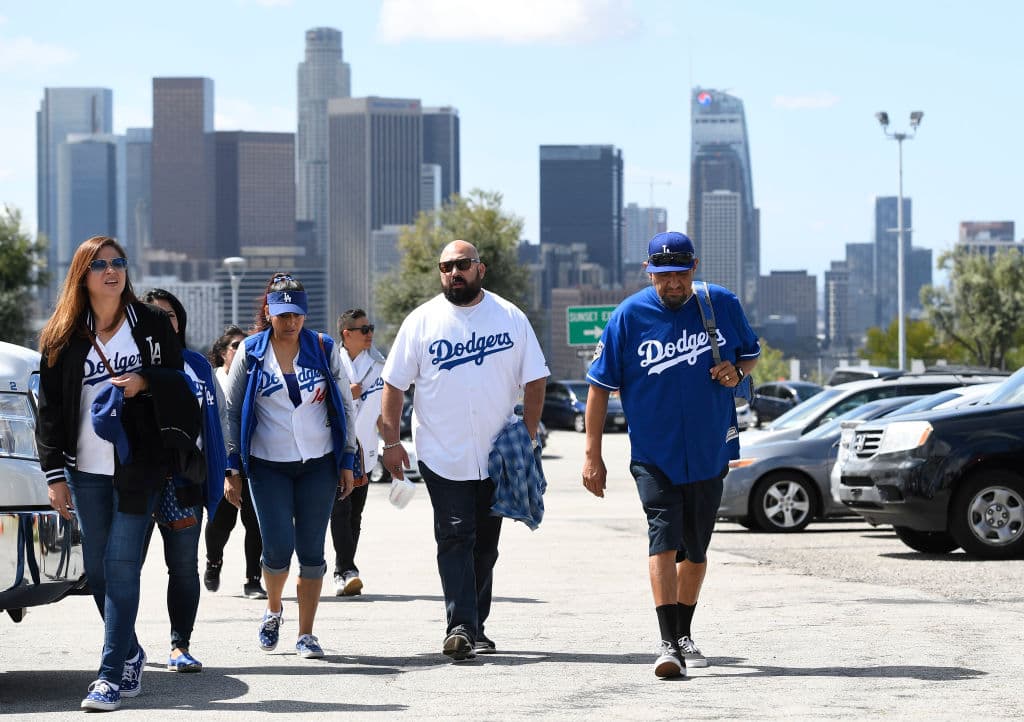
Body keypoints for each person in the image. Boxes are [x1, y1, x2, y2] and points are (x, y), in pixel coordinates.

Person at [582, 231, 760, 679]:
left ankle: (683, 631)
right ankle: (667, 643)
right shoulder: (629, 316)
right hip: (653, 453)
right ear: (649, 272)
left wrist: (735, 370)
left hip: (708, 447)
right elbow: (599, 389)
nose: (673, 283)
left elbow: (751, 356)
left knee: (695, 550)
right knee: (663, 535)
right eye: (663, 275)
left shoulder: (720, 303)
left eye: (680, 273)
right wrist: (592, 455)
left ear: (694, 267)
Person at [380, 240, 549, 662]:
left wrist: (527, 435)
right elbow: (394, 384)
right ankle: (459, 626)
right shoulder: (421, 321)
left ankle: (476, 626)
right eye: (446, 266)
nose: (454, 272)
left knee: (486, 543)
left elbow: (535, 379)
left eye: (462, 265)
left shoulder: (510, 317)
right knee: (456, 534)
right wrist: (390, 442)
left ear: (481, 269)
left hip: (498, 454)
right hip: (442, 453)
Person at [37, 236, 186, 711]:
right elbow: (51, 413)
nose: (111, 271)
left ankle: (108, 677)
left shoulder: (153, 325)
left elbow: (178, 383)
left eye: (118, 263)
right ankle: (132, 651)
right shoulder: (62, 334)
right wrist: (54, 475)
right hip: (85, 470)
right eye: (99, 264)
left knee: (122, 567)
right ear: (82, 274)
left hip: (138, 466)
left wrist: (145, 381)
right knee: (99, 572)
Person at [223, 273, 357, 659]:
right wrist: (233, 470)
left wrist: (347, 459)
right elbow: (232, 413)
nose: (291, 322)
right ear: (269, 312)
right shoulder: (251, 351)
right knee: (278, 548)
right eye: (283, 315)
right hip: (268, 465)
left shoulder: (322, 347)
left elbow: (345, 405)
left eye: (297, 315)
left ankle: (306, 633)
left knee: (312, 550)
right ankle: (273, 608)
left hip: (318, 464)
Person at [140, 289, 229, 673]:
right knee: (122, 566)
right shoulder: (128, 361)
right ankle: (126, 648)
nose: (165, 322)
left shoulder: (197, 364)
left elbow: (216, 421)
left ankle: (180, 645)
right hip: (137, 480)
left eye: (171, 315)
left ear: (181, 321)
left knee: (182, 566)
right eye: (155, 315)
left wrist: (225, 471)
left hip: (184, 480)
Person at [203, 325, 267, 600]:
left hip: (253, 459)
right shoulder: (212, 380)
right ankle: (213, 561)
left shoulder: (257, 378)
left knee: (255, 523)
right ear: (221, 353)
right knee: (221, 523)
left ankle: (253, 580)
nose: (243, 351)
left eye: (247, 346)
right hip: (220, 463)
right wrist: (228, 470)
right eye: (236, 346)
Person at [329, 309, 385, 597]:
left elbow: (381, 412)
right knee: (340, 508)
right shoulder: (330, 361)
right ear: (346, 333)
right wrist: (343, 395)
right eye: (364, 329)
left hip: (365, 449)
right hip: (337, 448)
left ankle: (344, 566)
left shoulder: (378, 365)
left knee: (355, 514)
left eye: (370, 327)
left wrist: (392, 445)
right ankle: (346, 569)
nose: (370, 333)